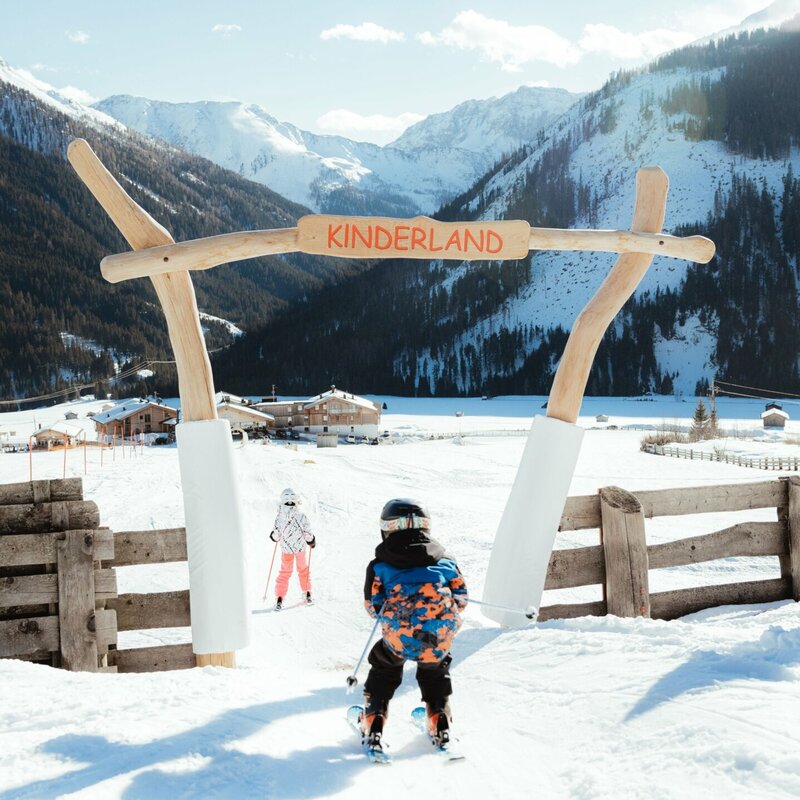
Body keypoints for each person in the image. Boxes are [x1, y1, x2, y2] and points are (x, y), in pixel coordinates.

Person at [359, 498, 467, 750]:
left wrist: (393, 613)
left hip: (399, 635)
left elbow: (373, 606)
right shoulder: (446, 561)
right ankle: (439, 718)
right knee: (435, 667)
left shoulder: (379, 566)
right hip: (438, 635)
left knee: (384, 664)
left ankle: (374, 718)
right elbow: (461, 599)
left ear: (387, 528)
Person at [270, 488, 316, 610]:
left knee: (285, 572)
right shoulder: (301, 516)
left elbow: (276, 535)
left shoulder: (280, 517)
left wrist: (273, 536)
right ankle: (307, 593)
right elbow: (307, 533)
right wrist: (311, 541)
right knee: (303, 570)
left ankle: (280, 598)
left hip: (287, 550)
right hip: (300, 549)